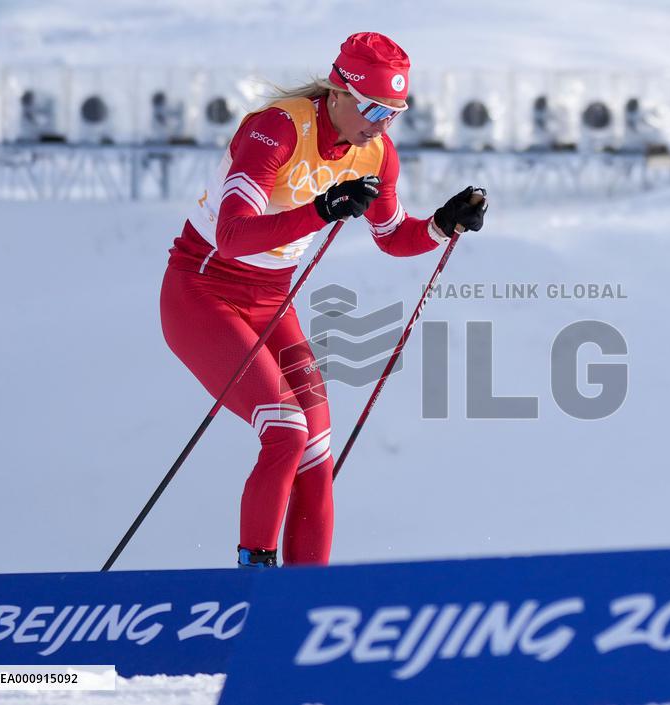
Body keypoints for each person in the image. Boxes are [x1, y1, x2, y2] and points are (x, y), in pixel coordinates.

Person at [160, 32, 487, 568]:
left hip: (269, 301)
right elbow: (233, 235)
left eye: (394, 112)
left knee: (316, 450)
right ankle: (256, 582)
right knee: (285, 432)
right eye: (373, 107)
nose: (381, 123)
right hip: (202, 292)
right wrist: (319, 209)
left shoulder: (376, 153)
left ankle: (306, 602)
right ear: (338, 91)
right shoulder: (279, 129)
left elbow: (393, 236)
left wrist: (441, 225)